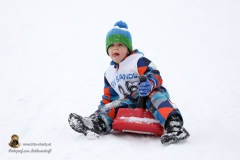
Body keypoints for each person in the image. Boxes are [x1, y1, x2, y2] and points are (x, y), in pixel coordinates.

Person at [68, 21, 190, 144]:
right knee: (113, 105)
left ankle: (174, 126)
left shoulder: (137, 60)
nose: (115, 48)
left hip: (147, 94)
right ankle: (95, 123)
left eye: (120, 44)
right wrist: (102, 110)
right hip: (129, 102)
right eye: (111, 45)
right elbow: (108, 97)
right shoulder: (109, 73)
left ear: (128, 48)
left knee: (155, 96)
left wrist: (149, 84)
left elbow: (155, 74)